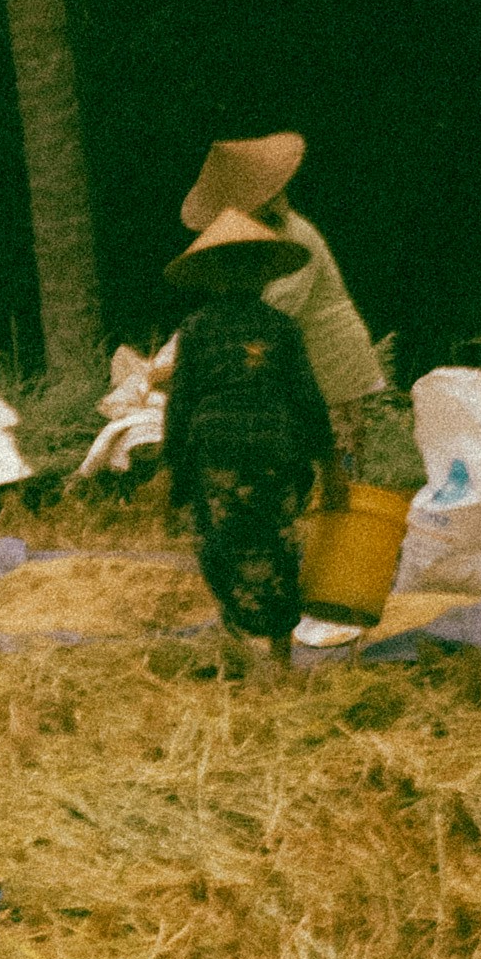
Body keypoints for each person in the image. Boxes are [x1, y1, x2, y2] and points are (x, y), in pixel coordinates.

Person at [163, 206, 337, 677]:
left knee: (222, 541)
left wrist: (174, 477)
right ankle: (279, 657)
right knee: (277, 544)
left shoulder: (196, 330)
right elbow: (308, 402)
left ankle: (243, 649)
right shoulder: (280, 328)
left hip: (217, 454)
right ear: (264, 277)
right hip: (274, 453)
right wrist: (330, 467)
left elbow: (180, 407)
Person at [179, 133, 387, 465]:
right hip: (302, 359)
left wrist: (212, 341)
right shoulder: (261, 241)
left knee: (336, 455)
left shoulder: (294, 236)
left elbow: (279, 305)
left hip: (331, 358)